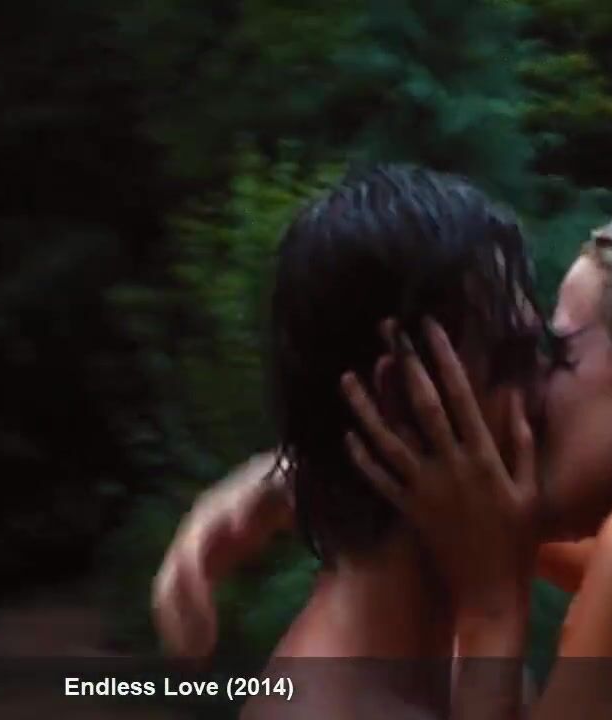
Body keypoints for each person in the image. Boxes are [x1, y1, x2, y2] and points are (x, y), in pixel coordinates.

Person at [155, 211, 612, 719]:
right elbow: (481, 517)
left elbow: (493, 547)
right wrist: (290, 480)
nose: (532, 390)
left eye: (557, 352)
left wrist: (492, 608)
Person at [200, 163, 551, 719]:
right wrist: (494, 611)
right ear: (403, 397)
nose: (547, 393)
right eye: (516, 360)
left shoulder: (459, 662)